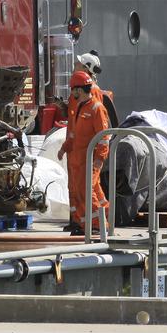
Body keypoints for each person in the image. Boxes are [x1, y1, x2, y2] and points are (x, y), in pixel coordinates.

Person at [59, 69, 111, 235]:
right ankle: (89, 223)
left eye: (73, 89)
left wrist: (100, 158)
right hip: (78, 159)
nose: (71, 93)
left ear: (79, 90)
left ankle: (97, 225)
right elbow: (74, 134)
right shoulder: (80, 108)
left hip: (89, 160)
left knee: (87, 191)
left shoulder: (96, 108)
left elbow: (104, 136)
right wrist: (64, 148)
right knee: (85, 191)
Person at [76, 50, 119, 125]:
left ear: (85, 69)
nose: (75, 65)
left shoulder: (88, 90)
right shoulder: (93, 89)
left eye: (78, 63)